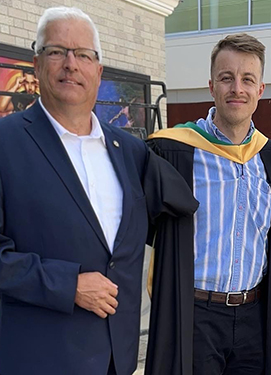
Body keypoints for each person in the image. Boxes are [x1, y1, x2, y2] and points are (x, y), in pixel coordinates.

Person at [0, 7, 197, 375]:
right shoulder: (5, 143)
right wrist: (67, 285)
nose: (71, 64)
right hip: (36, 356)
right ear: (37, 63)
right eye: (57, 51)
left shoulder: (132, 151)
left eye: (84, 55)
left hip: (116, 359)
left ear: (98, 69)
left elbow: (184, 205)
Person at [146, 33, 271, 375]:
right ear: (212, 86)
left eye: (247, 79)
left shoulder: (270, 155)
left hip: (253, 315)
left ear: (260, 90)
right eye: (226, 78)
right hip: (195, 315)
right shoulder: (173, 151)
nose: (237, 88)